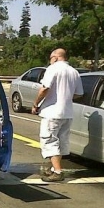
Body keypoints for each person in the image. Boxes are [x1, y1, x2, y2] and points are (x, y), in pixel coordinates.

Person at [31, 48, 83, 182]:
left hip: (52, 111)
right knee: (61, 141)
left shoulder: (52, 69)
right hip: (67, 112)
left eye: (50, 58)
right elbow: (79, 94)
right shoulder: (74, 72)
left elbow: (45, 88)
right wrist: (66, 97)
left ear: (55, 57)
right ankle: (55, 168)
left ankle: (58, 172)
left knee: (49, 140)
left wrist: (36, 104)